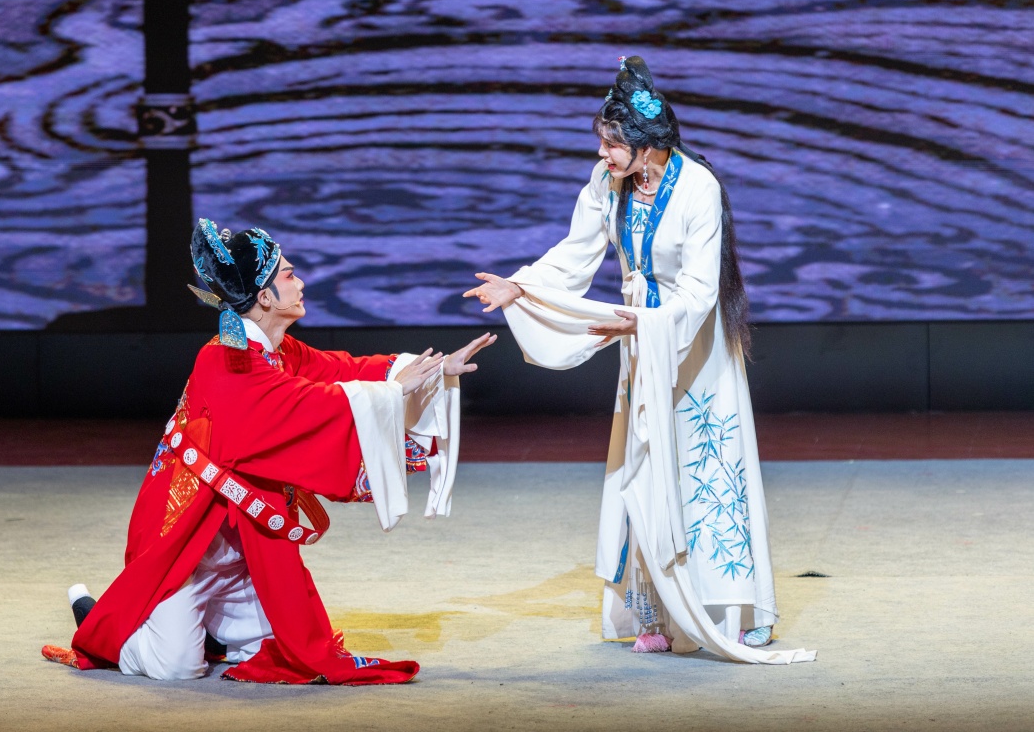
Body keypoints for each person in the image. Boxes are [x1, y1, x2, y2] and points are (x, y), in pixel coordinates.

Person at [465, 56, 813, 664]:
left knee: (707, 469)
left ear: (646, 143)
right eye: (601, 142)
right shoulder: (609, 184)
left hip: (694, 346)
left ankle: (735, 611)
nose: (602, 153)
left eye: (611, 143)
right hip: (641, 344)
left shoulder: (698, 188)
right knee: (644, 468)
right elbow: (575, 252)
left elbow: (700, 291)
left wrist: (646, 322)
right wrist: (520, 286)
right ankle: (654, 610)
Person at [43, 218, 496, 684]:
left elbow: (339, 370)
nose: (301, 283)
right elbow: (298, 404)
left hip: (242, 550)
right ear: (264, 297)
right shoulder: (224, 360)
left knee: (278, 649)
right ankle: (106, 625)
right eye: (289, 275)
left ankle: (209, 631)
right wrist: (392, 393)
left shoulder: (278, 351)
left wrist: (435, 370)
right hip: (190, 547)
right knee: (176, 668)